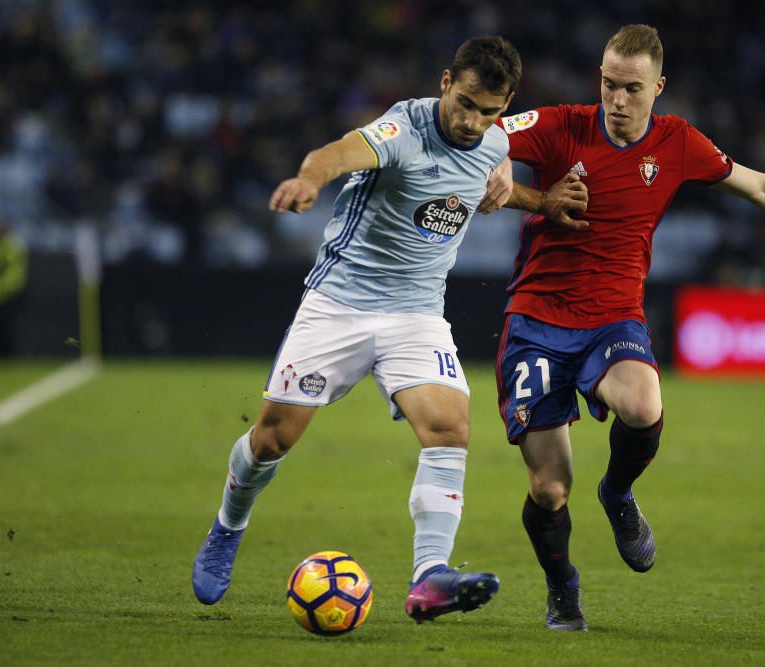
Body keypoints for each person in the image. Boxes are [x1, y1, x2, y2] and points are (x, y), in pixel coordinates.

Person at [495, 24, 765, 631]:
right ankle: (563, 588)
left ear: (659, 87)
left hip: (612, 319)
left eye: (631, 88)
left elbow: (760, 186)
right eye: (608, 84)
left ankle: (618, 494)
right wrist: (519, 187)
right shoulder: (560, 124)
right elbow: (482, 137)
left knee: (642, 401)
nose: (617, 100)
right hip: (536, 322)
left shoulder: (677, 142)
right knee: (550, 489)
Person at [191, 36, 523, 623]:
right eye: (465, 102)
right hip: (339, 304)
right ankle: (227, 526)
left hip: (417, 313)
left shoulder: (495, 138)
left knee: (450, 426)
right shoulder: (403, 131)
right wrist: (309, 181)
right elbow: (338, 153)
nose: (473, 121)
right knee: (272, 440)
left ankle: (430, 578)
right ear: (446, 82)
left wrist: (534, 192)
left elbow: (506, 155)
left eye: (488, 111)